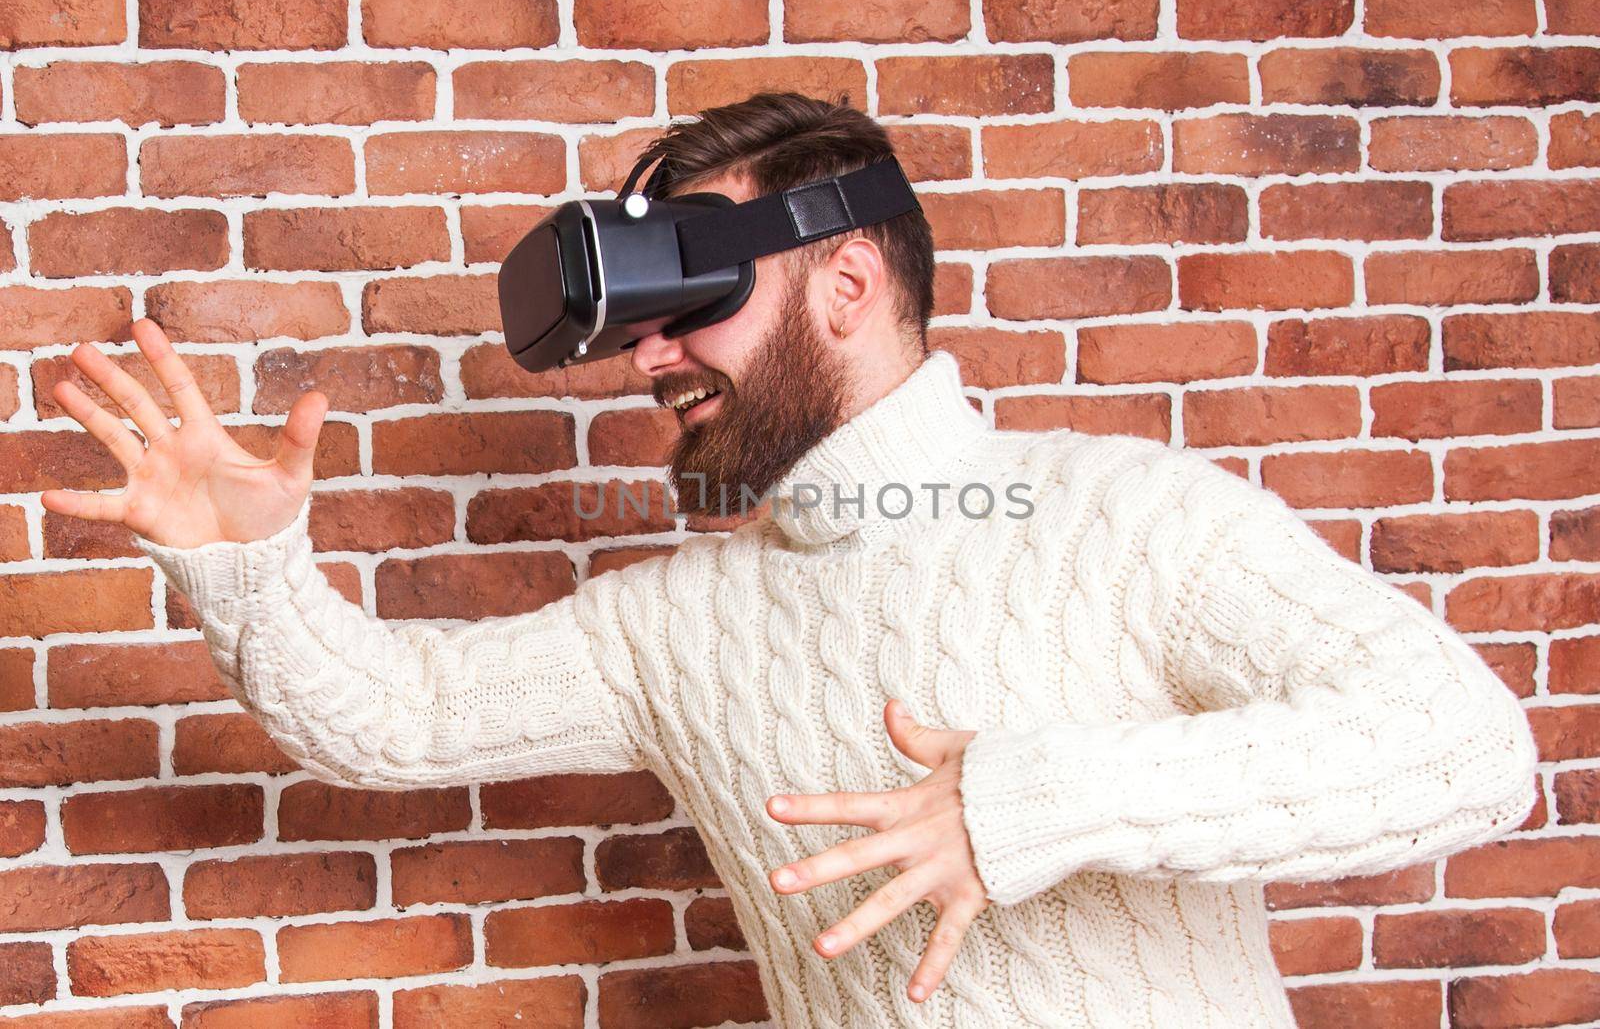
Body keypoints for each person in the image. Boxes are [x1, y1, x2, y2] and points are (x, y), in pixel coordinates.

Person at [42, 92, 1539, 1028]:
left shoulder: (1124, 514)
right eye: (642, 319)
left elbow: (1468, 747)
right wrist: (247, 564)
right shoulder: (675, 625)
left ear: (848, 281)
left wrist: (1031, 800)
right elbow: (391, 719)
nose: (654, 355)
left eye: (694, 296)